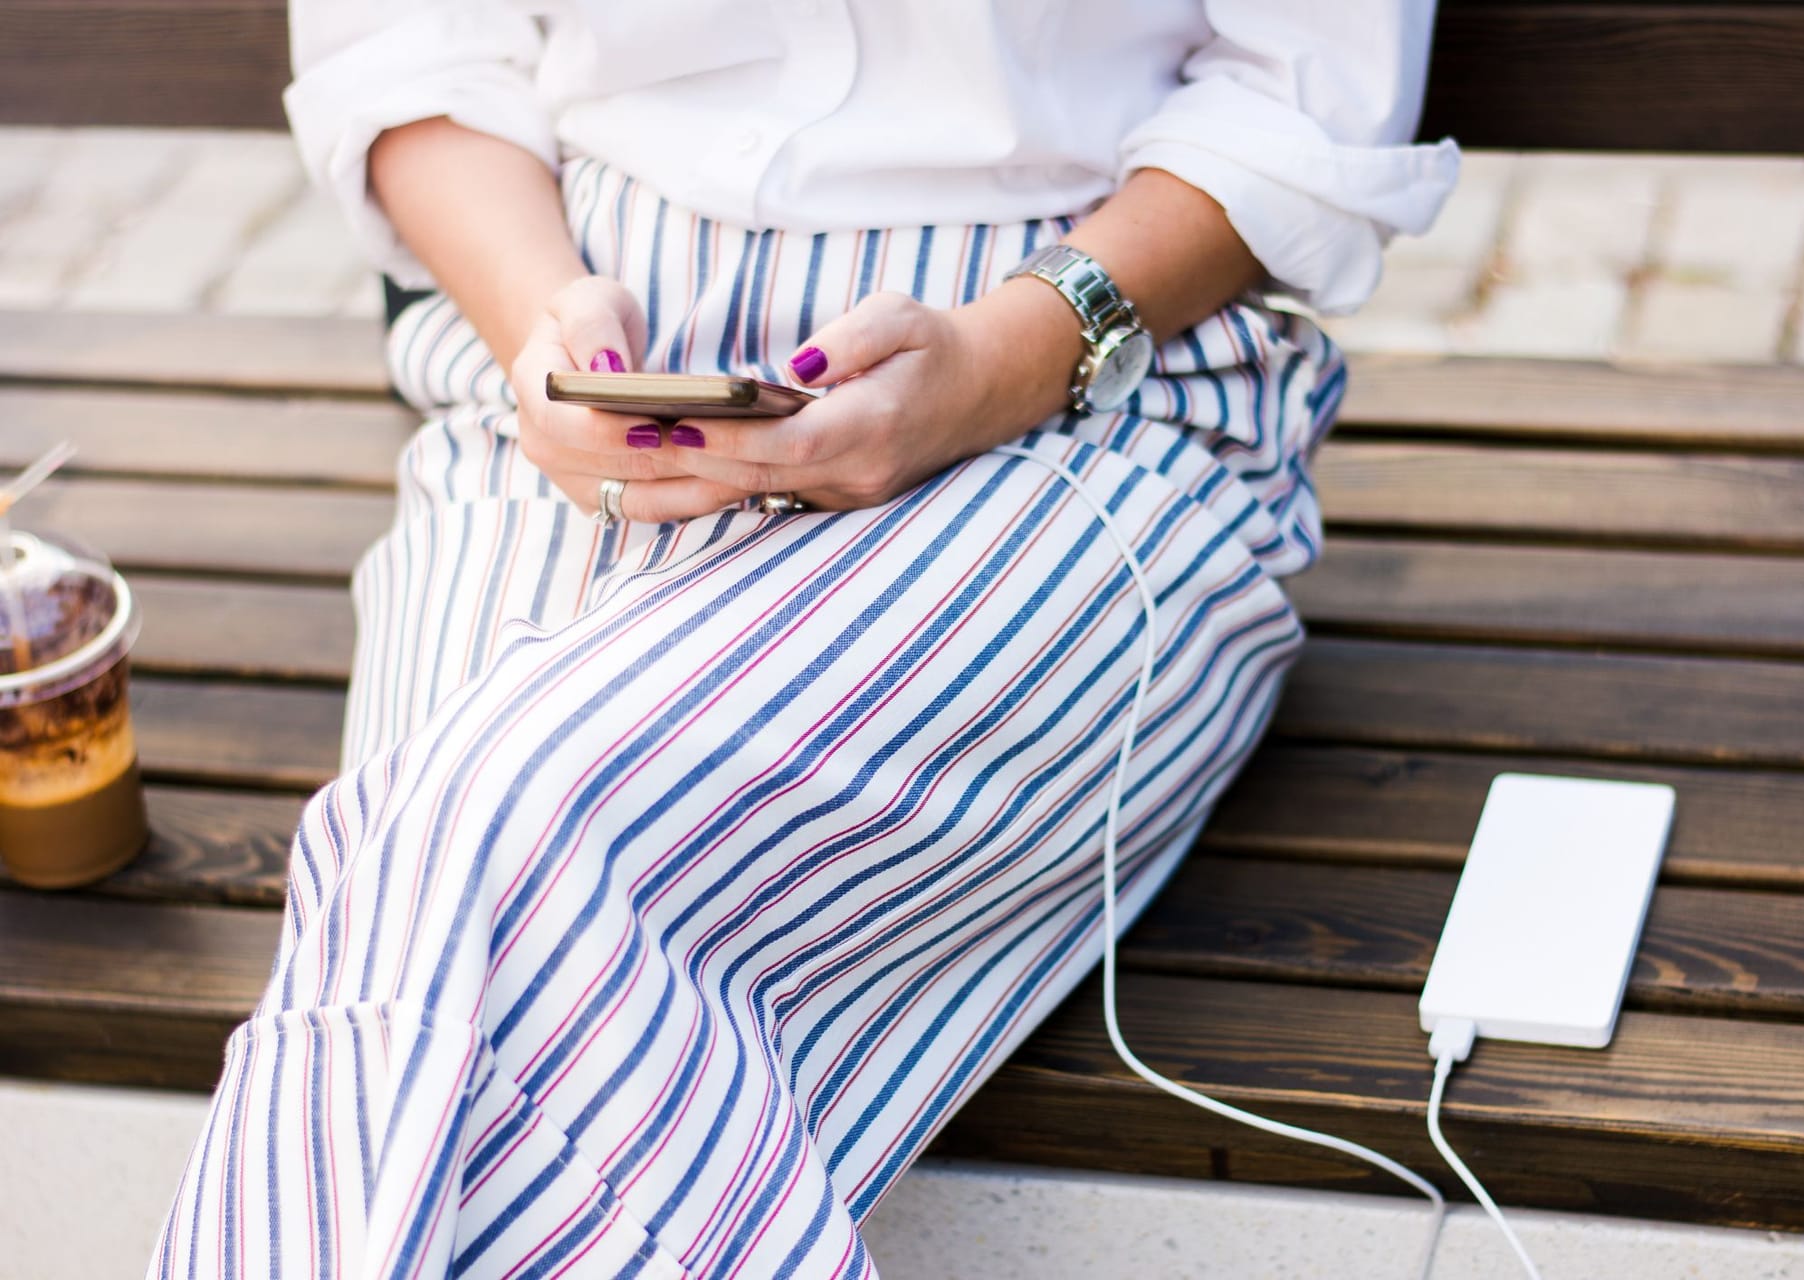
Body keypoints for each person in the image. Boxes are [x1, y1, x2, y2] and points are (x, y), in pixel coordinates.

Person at [149, 3, 1456, 1275]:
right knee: (427, 882)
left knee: (477, 845)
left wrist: (996, 364)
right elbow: (413, 40)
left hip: (1070, 388)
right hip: (577, 375)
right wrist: (542, 335)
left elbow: (1301, 87)